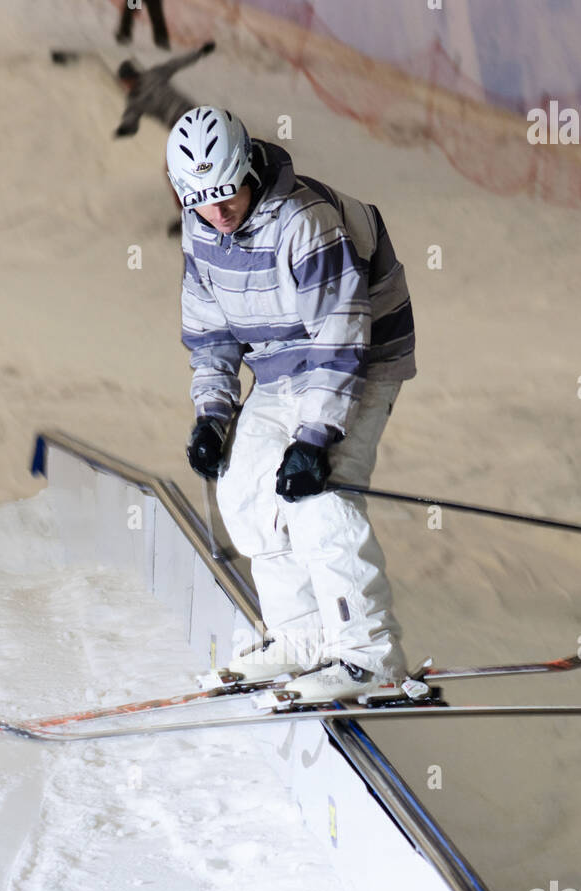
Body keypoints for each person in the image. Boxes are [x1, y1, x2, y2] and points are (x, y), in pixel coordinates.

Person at [167, 107, 416, 701]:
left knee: (318, 495)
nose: (219, 213)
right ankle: (301, 638)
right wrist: (214, 413)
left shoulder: (305, 223)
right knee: (245, 487)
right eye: (202, 200)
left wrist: (314, 440)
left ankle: (369, 655)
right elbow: (210, 334)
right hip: (281, 368)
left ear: (248, 168)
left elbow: (339, 336)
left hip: (358, 359)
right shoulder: (202, 229)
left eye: (228, 195)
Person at [114, 43, 215, 138]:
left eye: (126, 81)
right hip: (176, 123)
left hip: (187, 109)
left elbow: (175, 64)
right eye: (124, 83)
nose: (126, 85)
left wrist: (199, 52)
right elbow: (130, 119)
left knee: (211, 130)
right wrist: (124, 129)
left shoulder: (153, 75)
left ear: (132, 75)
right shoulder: (134, 100)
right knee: (201, 138)